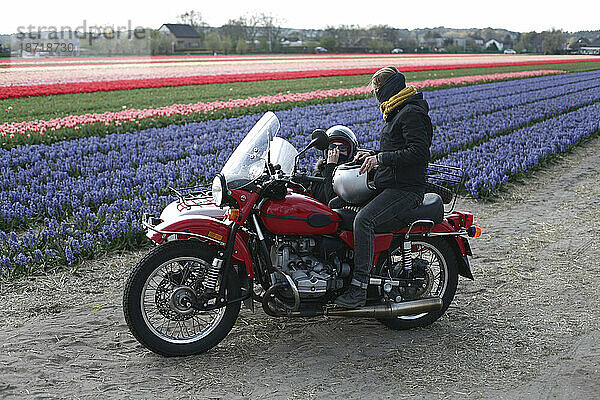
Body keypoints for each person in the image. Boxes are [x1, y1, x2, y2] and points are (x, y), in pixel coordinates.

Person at [334, 66, 433, 308]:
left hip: (406, 189)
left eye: (377, 88)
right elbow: (396, 150)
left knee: (364, 220)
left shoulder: (411, 113)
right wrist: (373, 154)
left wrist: (381, 159)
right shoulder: (396, 111)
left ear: (388, 88)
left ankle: (359, 287)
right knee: (335, 206)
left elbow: (419, 152)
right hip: (390, 182)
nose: (375, 93)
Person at [309, 125, 358, 205]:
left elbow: (332, 200)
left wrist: (331, 167)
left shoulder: (352, 175)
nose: (336, 152)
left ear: (350, 152)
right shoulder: (319, 173)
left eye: (342, 148)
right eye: (332, 147)